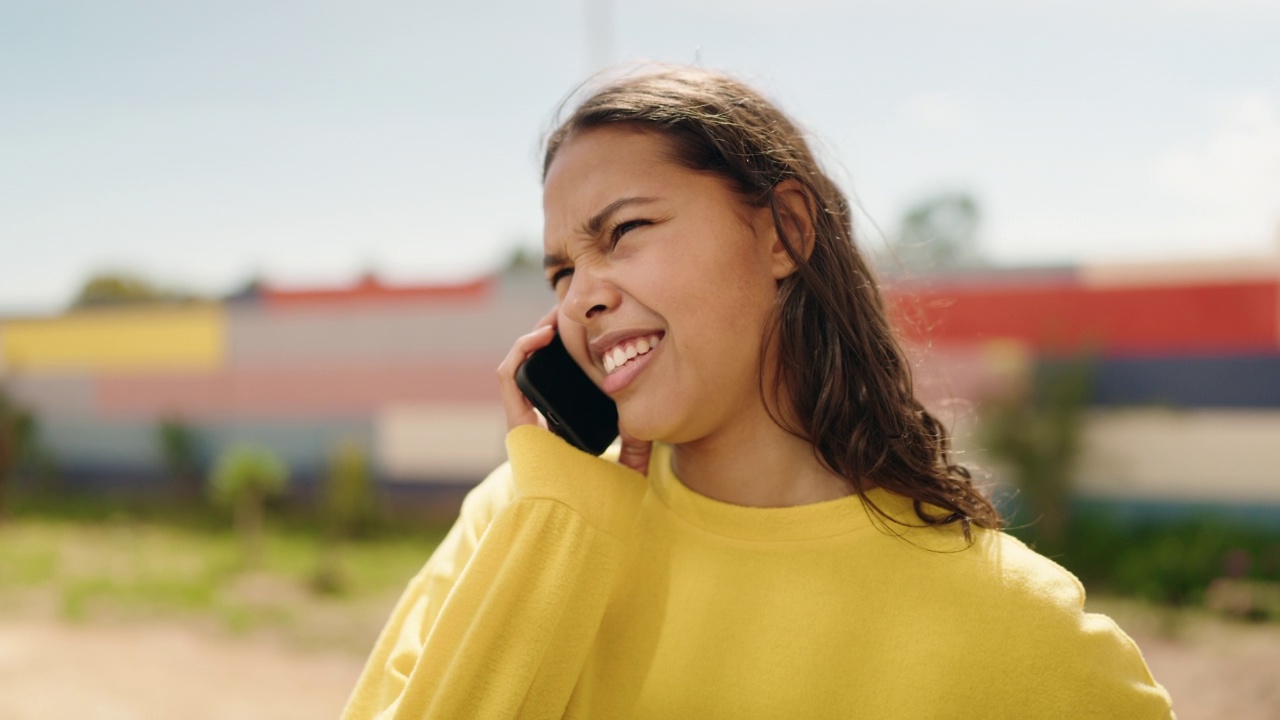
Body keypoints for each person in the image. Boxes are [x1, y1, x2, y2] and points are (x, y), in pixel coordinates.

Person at [341, 66, 1175, 719]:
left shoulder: (1013, 629)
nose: (580, 297)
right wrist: (554, 529)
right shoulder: (521, 521)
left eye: (623, 232)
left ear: (783, 231)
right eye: (562, 269)